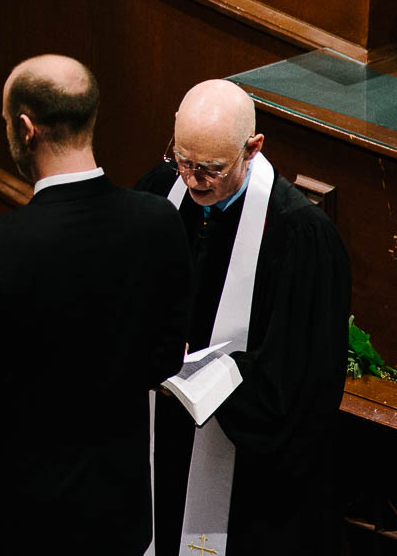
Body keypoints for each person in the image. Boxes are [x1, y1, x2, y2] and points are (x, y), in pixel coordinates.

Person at [0, 55, 192, 555]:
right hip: (119, 509)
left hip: (15, 520)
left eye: (7, 122)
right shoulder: (159, 221)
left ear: (26, 129)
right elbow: (166, 358)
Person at [137, 79, 350, 555]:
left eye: (211, 168)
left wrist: (206, 372)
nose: (192, 181)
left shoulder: (300, 238)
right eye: (184, 160)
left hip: (247, 478)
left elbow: (297, 389)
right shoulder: (159, 193)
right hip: (160, 444)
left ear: (253, 148)